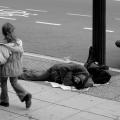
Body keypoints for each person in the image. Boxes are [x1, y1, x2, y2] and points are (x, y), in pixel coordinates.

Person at [0, 22, 32, 109]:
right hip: (16, 66)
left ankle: (4, 101)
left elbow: (2, 60)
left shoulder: (4, 45)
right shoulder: (19, 42)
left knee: (3, 83)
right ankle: (25, 95)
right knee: (14, 82)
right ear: (13, 31)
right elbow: (21, 54)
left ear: (3, 32)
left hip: (5, 68)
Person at [19, 62, 94, 89]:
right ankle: (17, 75)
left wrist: (68, 78)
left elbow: (67, 83)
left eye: (77, 82)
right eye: (78, 80)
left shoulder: (80, 81)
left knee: (38, 73)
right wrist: (68, 74)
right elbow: (63, 68)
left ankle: (23, 69)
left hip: (57, 75)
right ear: (82, 77)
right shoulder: (81, 69)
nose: (75, 80)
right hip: (55, 70)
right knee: (37, 77)